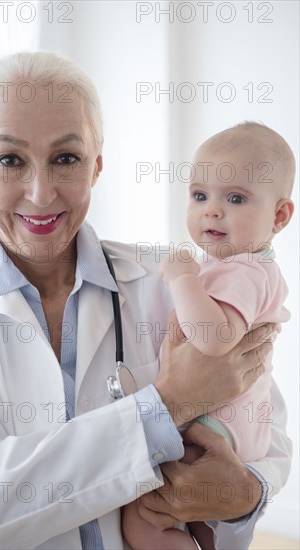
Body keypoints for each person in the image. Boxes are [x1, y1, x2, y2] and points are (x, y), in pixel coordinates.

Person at [0, 52, 291, 550]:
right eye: (10, 160)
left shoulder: (180, 281)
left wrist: (245, 498)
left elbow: (265, 439)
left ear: (97, 165)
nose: (40, 194)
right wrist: (168, 405)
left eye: (66, 158)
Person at [122, 122, 295, 549]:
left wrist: (183, 279)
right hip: (225, 424)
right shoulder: (236, 268)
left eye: (234, 198)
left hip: (215, 425)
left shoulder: (246, 272)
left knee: (144, 520)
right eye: (200, 195)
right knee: (201, 525)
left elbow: (215, 338)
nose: (211, 211)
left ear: (279, 216)